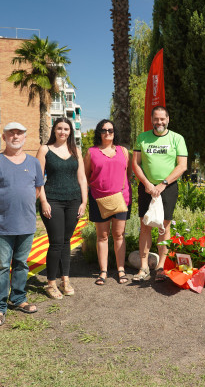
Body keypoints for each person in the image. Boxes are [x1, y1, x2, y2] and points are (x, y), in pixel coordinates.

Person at [0, 122, 44, 327]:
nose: (15, 136)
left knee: (21, 264)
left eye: (19, 133)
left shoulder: (33, 163)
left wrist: (23, 208)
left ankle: (18, 299)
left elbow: (37, 189)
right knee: (0, 267)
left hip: (26, 224)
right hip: (2, 225)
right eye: (11, 133)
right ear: (4, 137)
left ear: (25, 137)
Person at [132, 106, 187, 282]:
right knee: (145, 226)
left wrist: (163, 184)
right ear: (151, 120)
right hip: (146, 187)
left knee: (164, 227)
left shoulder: (177, 138)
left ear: (168, 119)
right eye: (156, 119)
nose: (159, 122)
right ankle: (143, 267)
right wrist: (147, 184)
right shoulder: (142, 138)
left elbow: (182, 166)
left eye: (162, 119)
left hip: (168, 188)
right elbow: (135, 164)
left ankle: (161, 267)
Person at [36, 118, 88, 299]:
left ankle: (65, 279)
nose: (63, 132)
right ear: (54, 130)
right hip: (52, 200)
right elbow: (38, 179)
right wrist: (43, 201)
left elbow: (82, 178)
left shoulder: (76, 150)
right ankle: (50, 283)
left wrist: (84, 202)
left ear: (70, 132)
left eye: (66, 129)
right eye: (59, 128)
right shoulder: (45, 149)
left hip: (74, 201)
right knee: (56, 242)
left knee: (67, 241)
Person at [84, 119, 132, 285]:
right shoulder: (91, 152)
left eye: (110, 130)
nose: (107, 133)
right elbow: (86, 176)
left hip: (121, 198)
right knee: (102, 236)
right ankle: (103, 271)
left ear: (114, 132)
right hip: (99, 199)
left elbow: (129, 173)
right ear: (99, 132)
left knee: (119, 235)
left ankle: (120, 269)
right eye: (103, 130)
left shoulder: (123, 151)